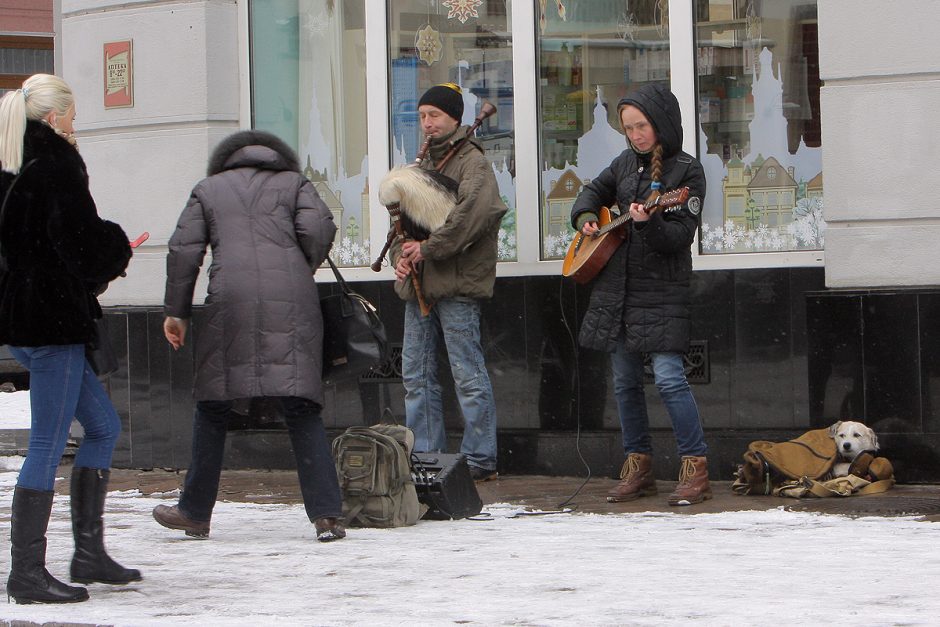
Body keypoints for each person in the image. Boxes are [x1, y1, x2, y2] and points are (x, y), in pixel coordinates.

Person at [152, 129, 346, 542]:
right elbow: (319, 229)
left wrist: (177, 312)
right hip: (292, 296)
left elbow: (184, 250)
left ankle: (194, 512)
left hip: (230, 298)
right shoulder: (295, 183)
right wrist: (297, 264)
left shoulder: (209, 189)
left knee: (214, 405)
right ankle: (327, 515)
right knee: (300, 404)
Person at [0, 74, 140, 604]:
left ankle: (89, 554)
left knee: (102, 425)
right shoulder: (57, 164)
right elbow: (82, 245)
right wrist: (117, 246)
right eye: (73, 114)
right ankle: (27, 573)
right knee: (47, 442)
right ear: (55, 117)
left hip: (21, 317)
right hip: (52, 321)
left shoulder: (9, 161)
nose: (75, 124)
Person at [570, 83, 711, 506]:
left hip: (663, 291)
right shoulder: (623, 163)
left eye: (642, 126)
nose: (635, 135)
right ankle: (639, 466)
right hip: (619, 290)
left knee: (669, 377)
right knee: (625, 381)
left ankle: (695, 466)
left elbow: (679, 238)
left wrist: (648, 223)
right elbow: (590, 192)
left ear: (661, 123)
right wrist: (585, 219)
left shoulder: (686, 172)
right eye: (628, 128)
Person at [392, 83, 507, 482]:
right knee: (415, 374)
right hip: (420, 285)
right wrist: (401, 259)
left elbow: (472, 218)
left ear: (455, 118)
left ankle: (480, 458)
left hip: (456, 283)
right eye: (422, 116)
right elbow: (402, 227)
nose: (427, 123)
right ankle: (426, 455)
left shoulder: (472, 164)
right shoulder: (422, 167)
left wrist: (427, 250)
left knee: (466, 372)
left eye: (434, 116)